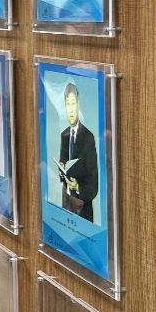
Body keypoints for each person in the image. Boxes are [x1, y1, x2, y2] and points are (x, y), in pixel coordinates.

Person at [57, 82, 98, 220]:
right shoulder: (64, 135)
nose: (71, 109)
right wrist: (61, 169)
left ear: (78, 105)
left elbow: (93, 178)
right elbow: (63, 167)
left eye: (73, 104)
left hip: (83, 209)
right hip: (66, 204)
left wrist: (78, 187)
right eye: (68, 104)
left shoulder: (88, 137)